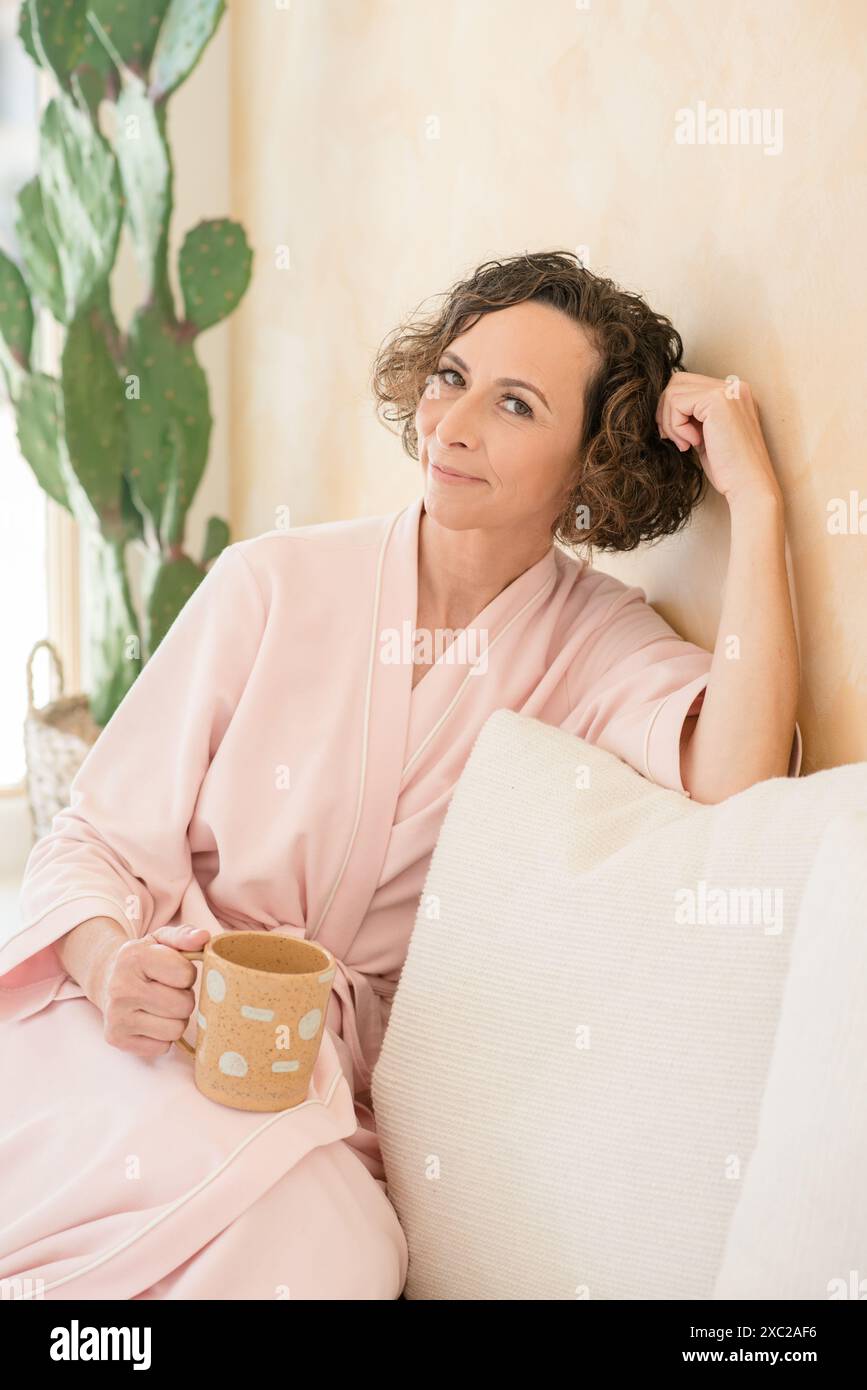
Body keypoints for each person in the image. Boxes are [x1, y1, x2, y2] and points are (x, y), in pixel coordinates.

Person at [0, 250, 801, 1301]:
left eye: (514, 404)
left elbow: (739, 773)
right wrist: (108, 968)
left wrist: (759, 502)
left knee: (339, 1256)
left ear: (591, 463)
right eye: (449, 377)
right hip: (144, 1031)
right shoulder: (272, 583)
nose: (453, 424)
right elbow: (94, 838)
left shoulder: (598, 643)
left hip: (308, 1099)